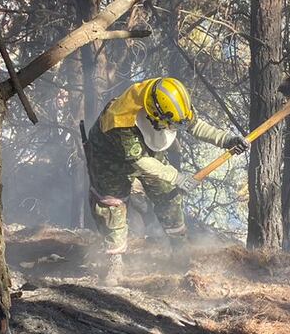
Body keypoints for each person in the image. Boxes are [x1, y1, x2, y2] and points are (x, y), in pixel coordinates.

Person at [86, 77, 247, 283]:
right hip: (109, 157)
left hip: (146, 147)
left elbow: (195, 125)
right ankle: (114, 262)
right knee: (112, 205)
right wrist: (177, 177)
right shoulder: (120, 120)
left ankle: (180, 251)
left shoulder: (170, 100)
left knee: (167, 195)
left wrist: (226, 139)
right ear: (154, 116)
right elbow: (141, 162)